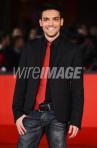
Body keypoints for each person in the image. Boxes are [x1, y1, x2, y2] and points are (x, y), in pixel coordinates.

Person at [12, 2, 84, 148]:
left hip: (58, 116)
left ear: (61, 22)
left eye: (55, 19)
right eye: (46, 19)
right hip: (30, 114)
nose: (50, 23)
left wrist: (76, 120)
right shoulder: (29, 47)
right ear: (40, 22)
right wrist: (17, 113)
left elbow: (77, 89)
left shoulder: (73, 51)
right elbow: (21, 82)